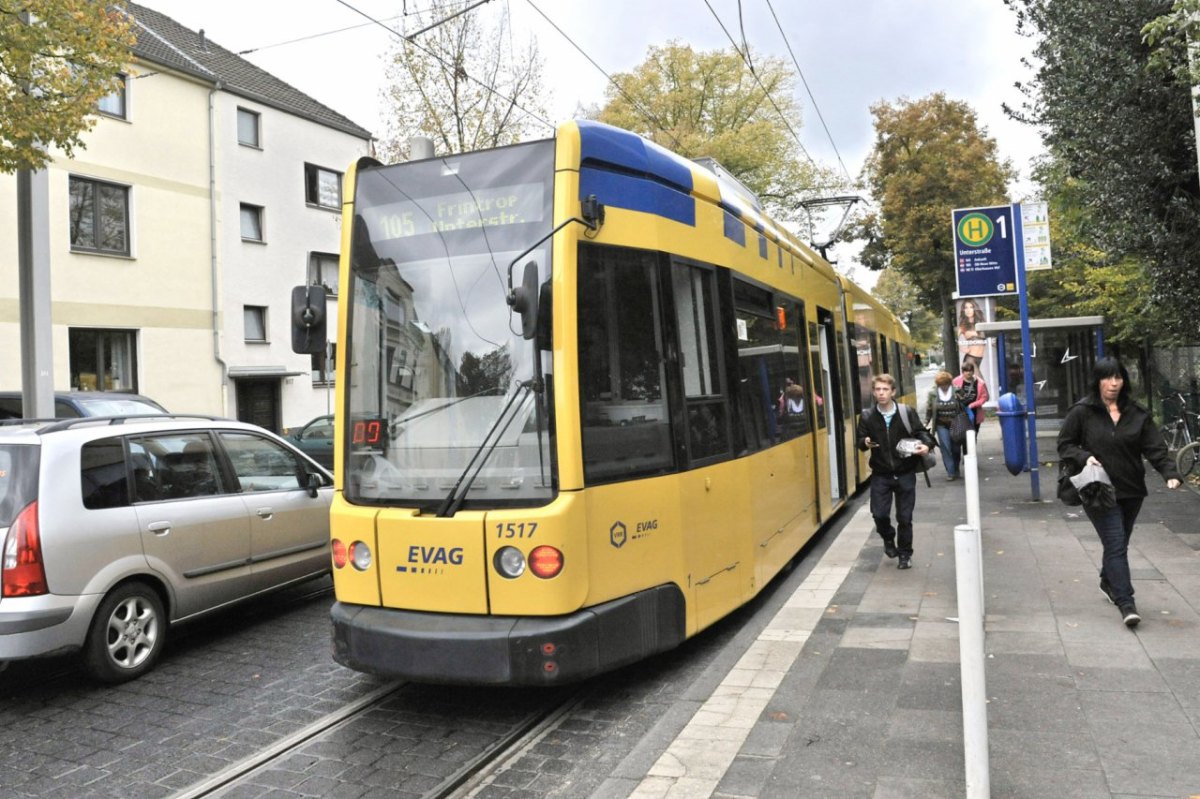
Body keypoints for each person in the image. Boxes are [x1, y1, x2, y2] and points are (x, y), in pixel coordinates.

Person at [1057, 357, 1181, 628]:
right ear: (1097, 381)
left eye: (1118, 378)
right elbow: (1065, 445)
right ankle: (1126, 603)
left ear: (1124, 381)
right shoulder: (1082, 412)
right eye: (1107, 378)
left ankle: (1107, 580)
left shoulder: (1136, 413)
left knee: (1119, 543)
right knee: (1115, 543)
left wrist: (1169, 473)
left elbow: (1155, 448)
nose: (1113, 383)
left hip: (1132, 489)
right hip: (1098, 489)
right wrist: (1085, 456)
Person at [855, 373, 934, 570]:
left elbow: (922, 433)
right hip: (881, 474)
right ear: (873, 392)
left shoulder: (906, 412)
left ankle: (905, 555)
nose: (881, 393)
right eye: (878, 390)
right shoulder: (867, 417)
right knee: (879, 514)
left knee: (905, 518)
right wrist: (863, 442)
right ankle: (889, 538)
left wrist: (926, 445)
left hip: (905, 472)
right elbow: (860, 441)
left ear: (893, 392)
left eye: (885, 390)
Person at [924, 370, 963, 480]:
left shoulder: (957, 391)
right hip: (941, 425)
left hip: (956, 423)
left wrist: (961, 399)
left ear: (949, 383)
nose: (944, 387)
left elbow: (964, 404)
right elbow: (929, 409)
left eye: (945, 384)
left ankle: (956, 468)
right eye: (941, 385)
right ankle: (950, 472)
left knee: (955, 448)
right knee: (945, 448)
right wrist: (926, 422)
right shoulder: (933, 394)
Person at [953, 360, 988, 436]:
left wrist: (972, 405)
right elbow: (952, 394)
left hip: (975, 411)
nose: (968, 373)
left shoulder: (980, 383)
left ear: (973, 371)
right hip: (960, 411)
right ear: (962, 371)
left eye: (970, 370)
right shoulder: (956, 381)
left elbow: (984, 397)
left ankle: (971, 447)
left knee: (973, 434)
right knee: (961, 434)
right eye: (966, 371)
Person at [957, 299, 986, 371]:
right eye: (966, 308)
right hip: (970, 359)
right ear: (963, 310)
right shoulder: (963, 326)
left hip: (980, 358)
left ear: (975, 309)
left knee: (975, 382)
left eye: (971, 307)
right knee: (981, 382)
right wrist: (961, 347)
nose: (968, 310)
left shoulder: (981, 323)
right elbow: (954, 339)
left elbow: (988, 336)